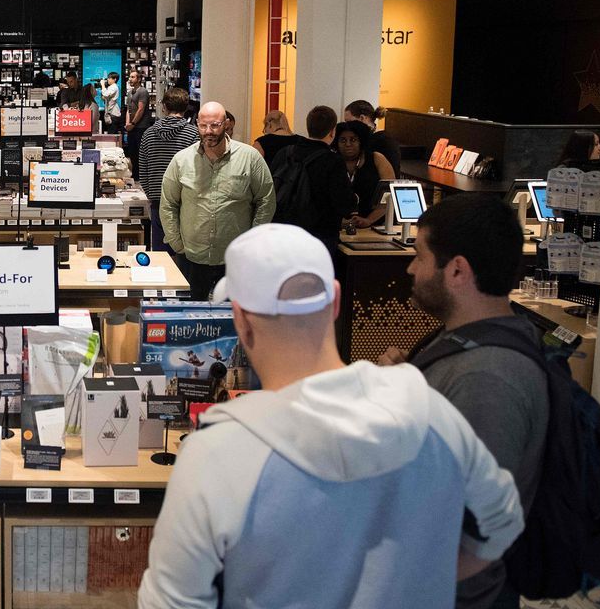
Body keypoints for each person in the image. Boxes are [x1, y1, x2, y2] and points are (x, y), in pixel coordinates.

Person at [137, 223, 525, 609]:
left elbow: (171, 602)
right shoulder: (431, 410)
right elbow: (502, 525)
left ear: (240, 319)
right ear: (335, 301)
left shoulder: (216, 453)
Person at [377, 193, 549, 609]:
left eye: (419, 256)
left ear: (456, 270)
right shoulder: (468, 340)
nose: (410, 267)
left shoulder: (488, 377)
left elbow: (472, 530)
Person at [160, 101, 276, 299]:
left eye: (214, 125)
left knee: (232, 320)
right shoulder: (181, 160)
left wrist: (252, 242)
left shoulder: (250, 158)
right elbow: (168, 204)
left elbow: (266, 200)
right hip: (192, 257)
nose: (208, 131)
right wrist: (177, 244)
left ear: (226, 124)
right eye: (203, 125)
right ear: (197, 123)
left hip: (234, 259)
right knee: (191, 319)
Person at [269, 105, 356, 255]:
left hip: (283, 233)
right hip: (319, 237)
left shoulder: (285, 153)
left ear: (308, 126)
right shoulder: (332, 161)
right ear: (332, 131)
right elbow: (344, 205)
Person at [138, 87, 198, 253]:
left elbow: (142, 169)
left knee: (161, 254)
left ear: (164, 107)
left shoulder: (149, 134)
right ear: (186, 108)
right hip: (185, 200)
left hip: (158, 199)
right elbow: (198, 169)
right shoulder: (193, 134)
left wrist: (152, 194)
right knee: (186, 252)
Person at [334, 120, 396, 228]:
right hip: (338, 224)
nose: (348, 144)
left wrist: (368, 220)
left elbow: (390, 196)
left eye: (353, 140)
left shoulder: (377, 159)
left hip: (376, 224)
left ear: (361, 141)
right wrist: (338, 220)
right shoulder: (331, 162)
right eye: (343, 140)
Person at [345, 99, 400, 176]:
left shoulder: (384, 141)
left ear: (362, 118)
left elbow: (390, 178)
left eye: (349, 122)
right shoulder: (366, 139)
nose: (347, 127)